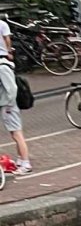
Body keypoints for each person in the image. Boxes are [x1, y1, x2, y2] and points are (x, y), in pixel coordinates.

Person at [0, 40, 30, 176]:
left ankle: (26, 163)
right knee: (15, 132)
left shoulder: (2, 68)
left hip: (8, 105)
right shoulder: (5, 66)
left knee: (17, 134)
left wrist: (9, 105)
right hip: (8, 105)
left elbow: (12, 88)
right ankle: (20, 160)